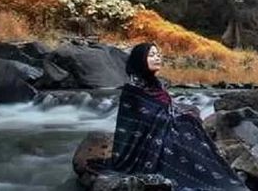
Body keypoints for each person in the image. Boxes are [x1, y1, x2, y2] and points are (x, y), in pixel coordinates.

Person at [102, 42, 246, 190]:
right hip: (146, 145)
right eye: (151, 55)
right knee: (185, 130)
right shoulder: (133, 91)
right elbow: (141, 121)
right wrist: (176, 119)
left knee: (191, 123)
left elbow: (169, 107)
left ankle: (214, 174)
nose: (157, 58)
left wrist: (184, 115)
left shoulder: (157, 85)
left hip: (166, 131)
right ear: (140, 59)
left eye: (158, 55)